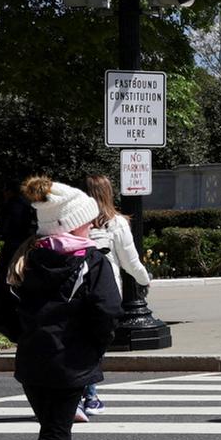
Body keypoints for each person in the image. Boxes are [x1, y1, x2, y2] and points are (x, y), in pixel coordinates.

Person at [0, 178, 122, 440]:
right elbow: (107, 311)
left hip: (32, 364)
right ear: (74, 223)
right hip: (71, 365)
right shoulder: (90, 260)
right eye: (86, 221)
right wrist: (95, 345)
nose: (91, 225)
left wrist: (27, 336)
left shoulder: (24, 256)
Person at [82, 175, 148, 423]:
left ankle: (86, 394)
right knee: (97, 345)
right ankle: (89, 396)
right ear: (109, 193)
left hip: (77, 290)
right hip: (106, 292)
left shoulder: (74, 222)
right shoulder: (117, 223)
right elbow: (130, 260)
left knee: (82, 343)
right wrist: (144, 279)